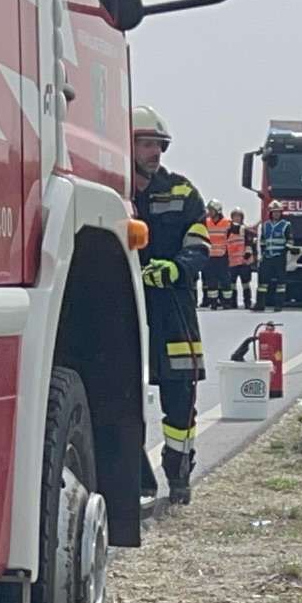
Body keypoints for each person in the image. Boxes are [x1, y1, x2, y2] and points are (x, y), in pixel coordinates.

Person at [128, 104, 210, 503]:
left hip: (174, 308)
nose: (154, 152)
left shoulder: (181, 190)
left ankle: (178, 477)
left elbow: (200, 245)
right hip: (124, 309)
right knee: (123, 395)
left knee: (181, 395)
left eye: (158, 145)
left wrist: (175, 269)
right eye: (146, 144)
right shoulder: (113, 190)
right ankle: (136, 479)